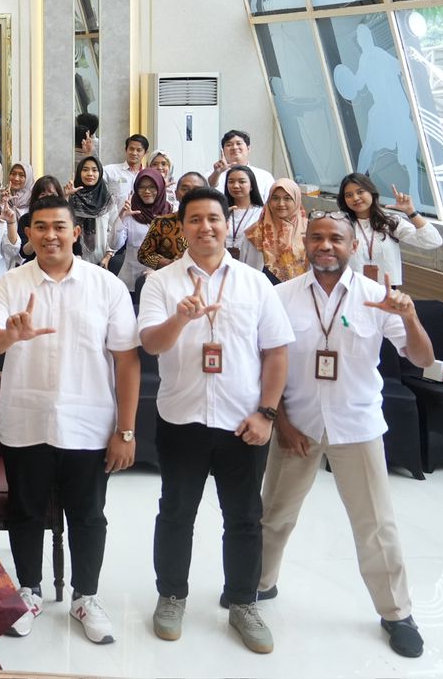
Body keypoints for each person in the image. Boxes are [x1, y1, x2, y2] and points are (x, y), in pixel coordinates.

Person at [258, 214, 433, 659]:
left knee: (375, 526)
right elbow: (266, 365)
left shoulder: (378, 298)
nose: (325, 245)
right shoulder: (280, 297)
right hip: (297, 424)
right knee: (274, 515)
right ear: (305, 243)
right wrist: (280, 421)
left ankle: (396, 613)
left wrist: (410, 319)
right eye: (316, 237)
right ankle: (257, 585)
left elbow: (421, 357)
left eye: (336, 238)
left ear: (352, 246)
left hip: (356, 426)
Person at [0, 196, 140, 645]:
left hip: (89, 422)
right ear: (27, 233)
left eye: (59, 227)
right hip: (26, 420)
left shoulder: (106, 286)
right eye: (41, 227)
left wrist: (125, 430)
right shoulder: (9, 284)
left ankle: (85, 596)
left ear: (76, 233)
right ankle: (28, 591)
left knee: (88, 515)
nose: (50, 235)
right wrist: (11, 333)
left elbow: (127, 361)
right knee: (25, 512)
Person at [137, 186, 291, 654]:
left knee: (244, 517)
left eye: (214, 219)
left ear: (228, 225)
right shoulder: (162, 283)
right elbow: (151, 344)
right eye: (195, 219)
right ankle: (171, 595)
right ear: (180, 227)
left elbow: (277, 353)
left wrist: (266, 414)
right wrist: (180, 320)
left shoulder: (254, 282)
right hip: (182, 419)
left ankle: (243, 602)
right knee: (177, 512)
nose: (206, 227)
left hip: (242, 423)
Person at [337, 173, 441, 287]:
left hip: (387, 291)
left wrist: (411, 211)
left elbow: (433, 241)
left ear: (371, 192)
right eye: (348, 195)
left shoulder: (390, 222)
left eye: (360, 192)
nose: (355, 198)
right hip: (352, 290)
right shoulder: (340, 225)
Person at [137, 172, 207, 272]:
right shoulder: (162, 222)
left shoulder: (211, 224)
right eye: (185, 189)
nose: (190, 193)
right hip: (170, 279)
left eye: (196, 190)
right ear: (176, 193)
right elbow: (143, 255)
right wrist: (170, 264)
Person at [68, 156, 125, 271]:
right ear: (79, 173)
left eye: (94, 170)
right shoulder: (71, 198)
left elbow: (112, 230)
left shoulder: (107, 200)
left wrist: (108, 256)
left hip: (102, 262)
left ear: (100, 173)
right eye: (85, 170)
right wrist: (66, 197)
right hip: (75, 261)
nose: (90, 174)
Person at [247, 178, 308, 283]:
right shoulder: (255, 233)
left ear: (297, 200)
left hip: (301, 291)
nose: (281, 203)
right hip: (263, 292)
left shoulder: (311, 230)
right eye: (275, 198)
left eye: (287, 198)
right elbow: (247, 270)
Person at [116, 168, 168, 290]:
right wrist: (121, 219)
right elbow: (114, 244)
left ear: (160, 188)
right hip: (131, 282)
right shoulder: (131, 211)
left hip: (163, 280)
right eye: (141, 187)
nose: (147, 191)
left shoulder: (170, 212)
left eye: (152, 187)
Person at [208, 129, 275, 200]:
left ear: (248, 148)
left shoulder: (264, 176)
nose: (234, 147)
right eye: (229, 145)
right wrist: (217, 173)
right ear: (223, 151)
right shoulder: (213, 174)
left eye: (239, 143)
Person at [223, 165, 266, 269]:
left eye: (242, 181)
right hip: (222, 266)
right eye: (231, 181)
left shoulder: (262, 213)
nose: (236, 186)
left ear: (251, 186)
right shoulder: (221, 211)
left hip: (251, 267)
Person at [106, 134, 151, 203]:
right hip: (117, 214)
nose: (134, 153)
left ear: (145, 153)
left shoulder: (149, 176)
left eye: (139, 150)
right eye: (131, 149)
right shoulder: (110, 170)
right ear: (126, 149)